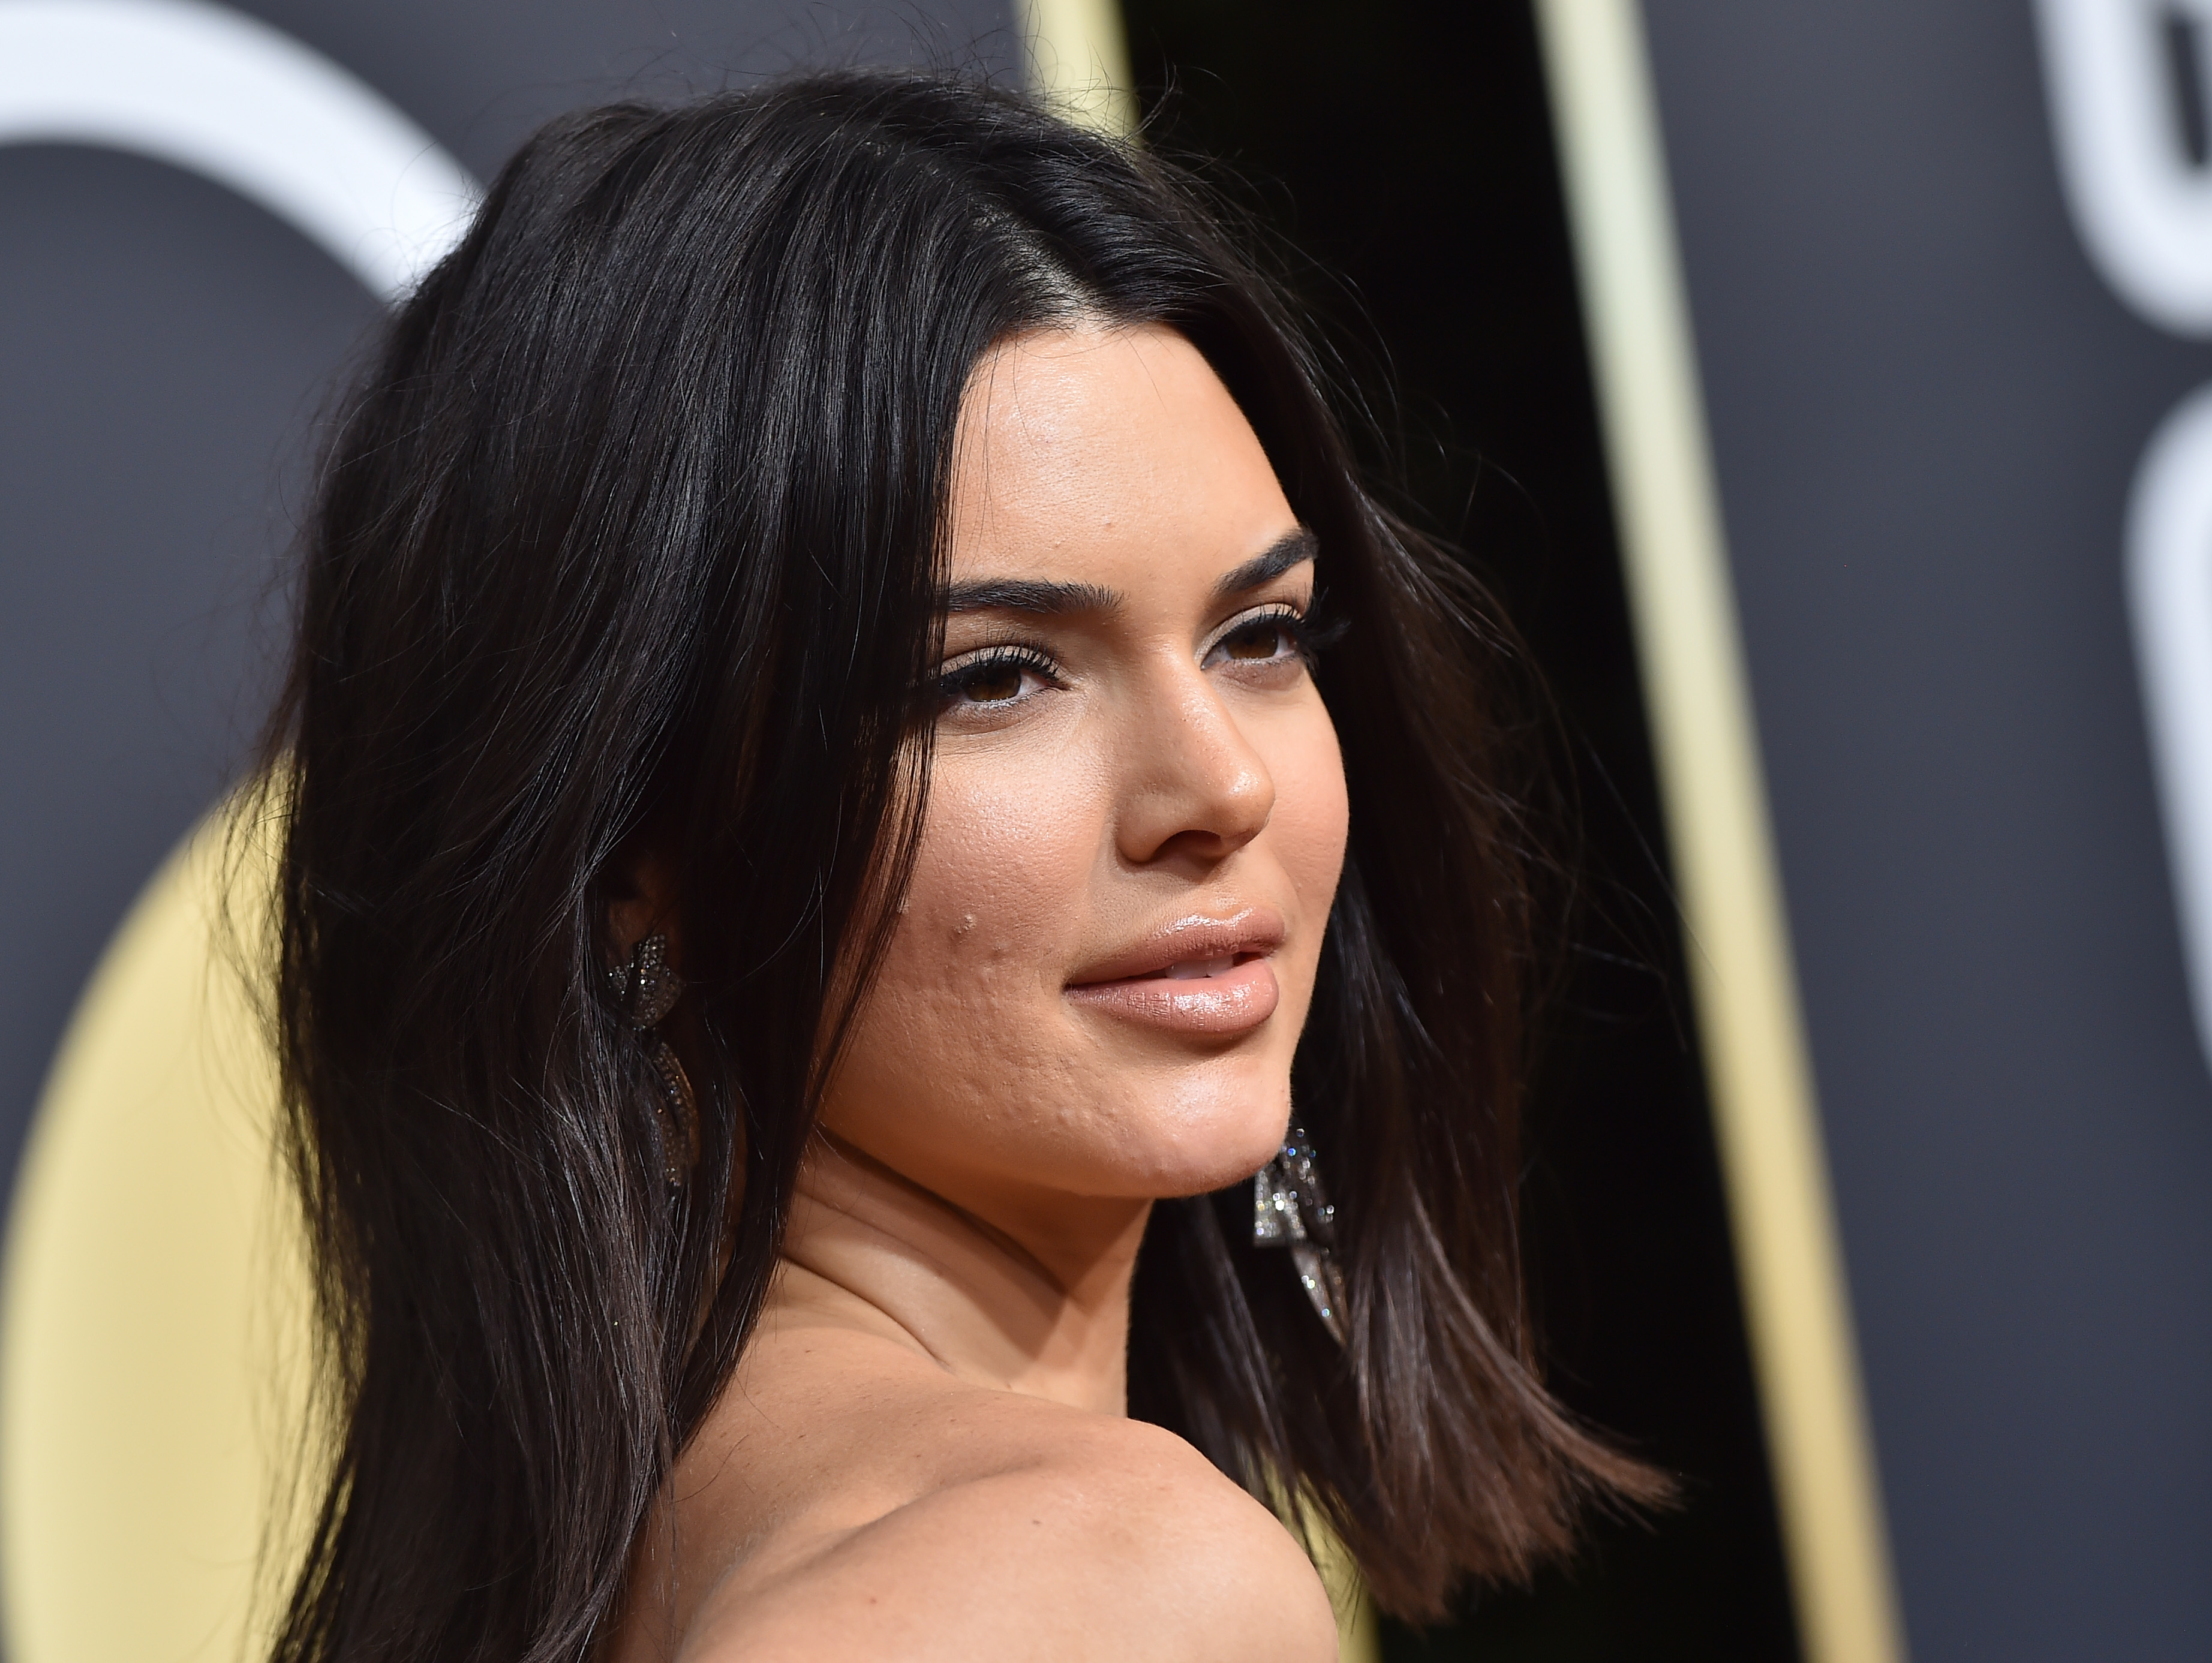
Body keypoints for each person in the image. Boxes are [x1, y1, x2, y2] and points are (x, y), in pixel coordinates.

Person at [250, 68, 1662, 1663]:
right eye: (994, 674)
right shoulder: (1097, 1585)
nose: (1221, 784)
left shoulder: (638, 1567)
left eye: (1260, 635)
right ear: (632, 850)